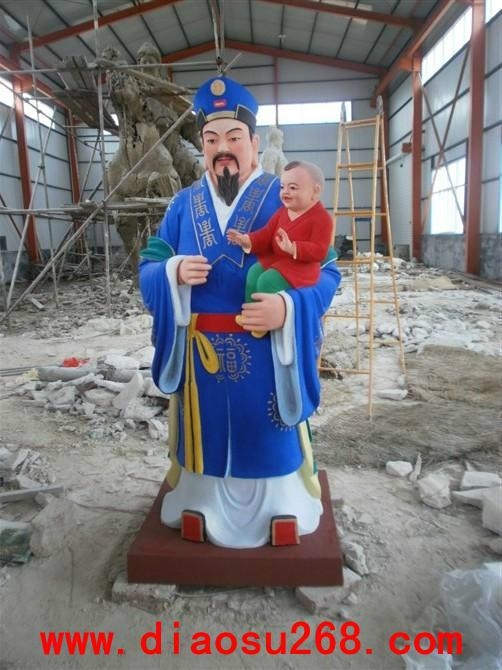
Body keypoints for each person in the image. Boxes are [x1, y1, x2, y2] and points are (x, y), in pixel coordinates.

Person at [139, 75, 341, 549]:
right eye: (211, 140)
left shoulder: (284, 195)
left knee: (265, 435)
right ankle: (199, 501)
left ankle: (280, 504)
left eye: (233, 138)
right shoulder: (183, 205)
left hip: (265, 352)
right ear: (202, 147)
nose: (222, 149)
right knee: (206, 438)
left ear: (254, 143)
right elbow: (148, 265)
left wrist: (288, 308)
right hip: (201, 356)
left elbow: (328, 271)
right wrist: (171, 271)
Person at [226, 160, 333, 313]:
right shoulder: (281, 213)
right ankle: (251, 312)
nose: (285, 192)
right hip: (279, 261)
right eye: (282, 187)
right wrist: (247, 240)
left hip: (302, 267)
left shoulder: (322, 218)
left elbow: (320, 250)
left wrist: (294, 248)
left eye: (293, 188)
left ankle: (266, 317)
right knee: (254, 272)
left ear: (315, 191)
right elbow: (267, 234)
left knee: (267, 281)